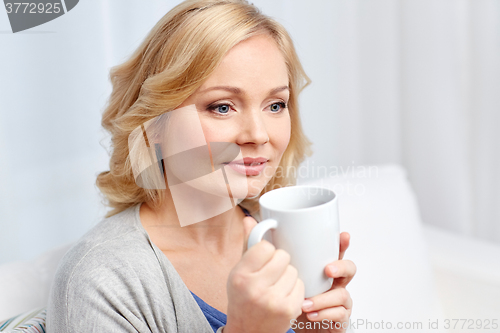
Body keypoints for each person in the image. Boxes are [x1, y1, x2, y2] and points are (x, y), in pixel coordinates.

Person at [46, 0, 356, 332]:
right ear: (154, 126)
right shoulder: (100, 278)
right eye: (222, 107)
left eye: (276, 104)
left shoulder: (286, 239)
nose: (258, 134)